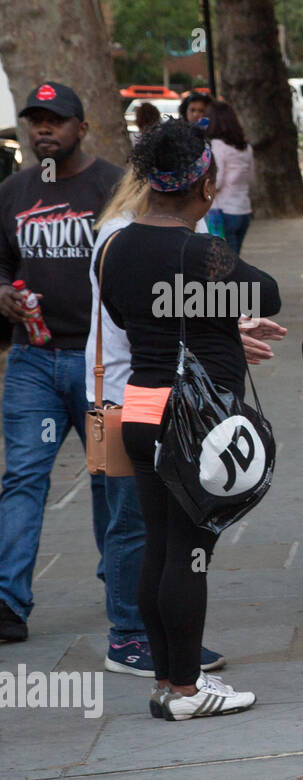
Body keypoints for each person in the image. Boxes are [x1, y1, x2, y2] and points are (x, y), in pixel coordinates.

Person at [95, 120, 281, 719]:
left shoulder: (115, 246)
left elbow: (126, 320)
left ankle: (165, 680)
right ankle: (186, 689)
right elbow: (268, 294)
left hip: (143, 402)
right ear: (206, 180)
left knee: (158, 544)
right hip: (196, 414)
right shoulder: (203, 250)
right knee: (191, 551)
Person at [0, 82, 135, 655]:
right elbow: (3, 267)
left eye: (54, 120)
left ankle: (123, 595)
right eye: (34, 121)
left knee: (110, 481)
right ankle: (7, 601)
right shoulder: (12, 192)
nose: (42, 131)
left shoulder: (113, 188)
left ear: (81, 127)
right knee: (23, 477)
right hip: (32, 362)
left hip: (101, 365)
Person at [205, 101, 255, 254]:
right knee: (235, 256)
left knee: (225, 260)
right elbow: (251, 177)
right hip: (244, 209)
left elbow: (217, 181)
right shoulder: (246, 147)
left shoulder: (217, 145)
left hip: (223, 210)